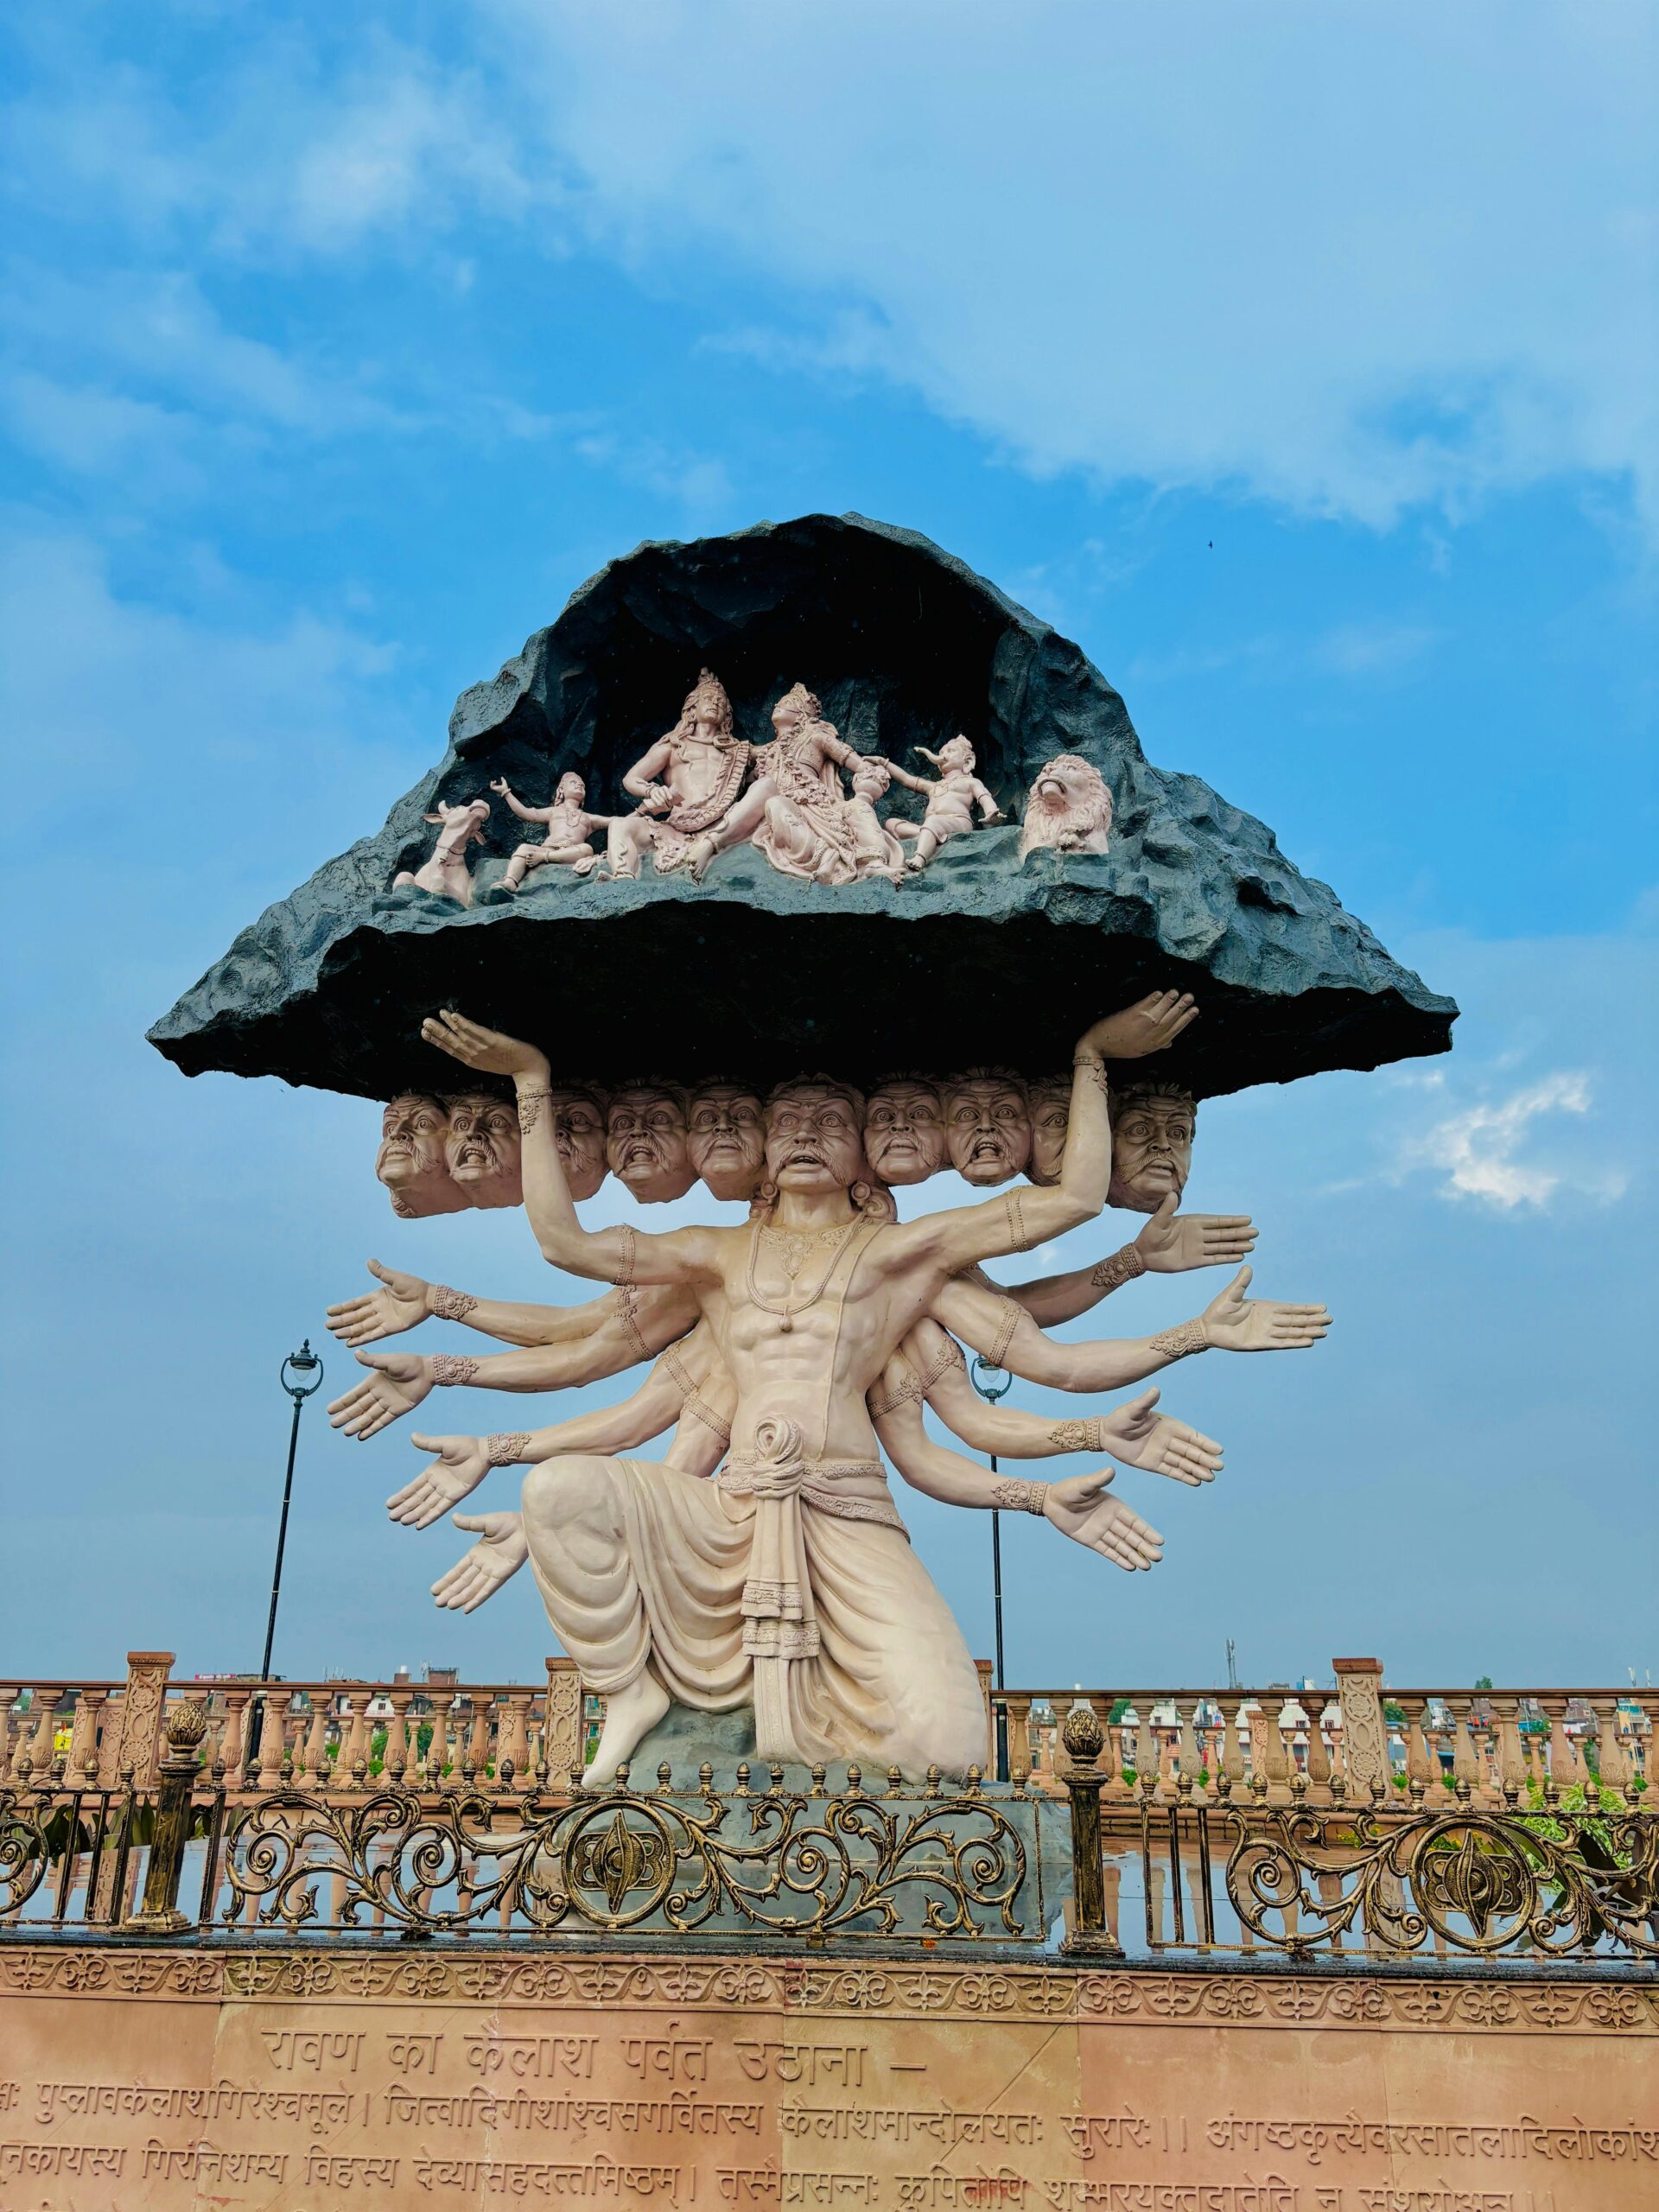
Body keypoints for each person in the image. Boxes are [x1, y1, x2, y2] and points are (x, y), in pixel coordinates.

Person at [415, 991, 1200, 1777]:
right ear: (762, 1147)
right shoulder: (715, 1255)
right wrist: (530, 1080)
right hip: (731, 1510)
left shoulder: (901, 1255)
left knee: (949, 1752)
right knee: (557, 1493)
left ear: (864, 1151)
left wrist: (1093, 1060)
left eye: (829, 1126)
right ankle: (629, 1692)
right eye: (788, 1126)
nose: (805, 1139)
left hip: (847, 1505)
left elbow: (1073, 1200)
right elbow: (564, 1245)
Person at [489, 773, 613, 887]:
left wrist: (633, 815)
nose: (579, 785)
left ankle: (543, 857)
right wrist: (506, 792)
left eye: (582, 785)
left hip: (571, 852)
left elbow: (615, 821)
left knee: (587, 849)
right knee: (524, 848)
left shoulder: (588, 818)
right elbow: (524, 812)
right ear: (561, 790)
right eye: (573, 782)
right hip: (549, 847)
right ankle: (510, 881)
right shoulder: (553, 811)